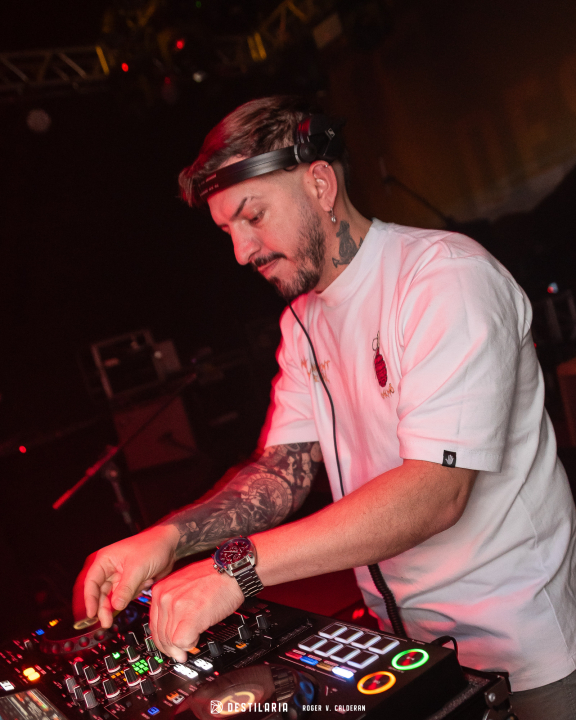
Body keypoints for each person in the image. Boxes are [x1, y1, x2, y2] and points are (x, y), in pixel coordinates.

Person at [74, 96, 576, 718]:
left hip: (521, 655)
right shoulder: (301, 321)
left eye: (252, 216)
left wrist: (237, 570)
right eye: (228, 232)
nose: (242, 252)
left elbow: (436, 492)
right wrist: (168, 538)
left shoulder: (444, 278)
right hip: (406, 651)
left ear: (320, 184)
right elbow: (281, 472)